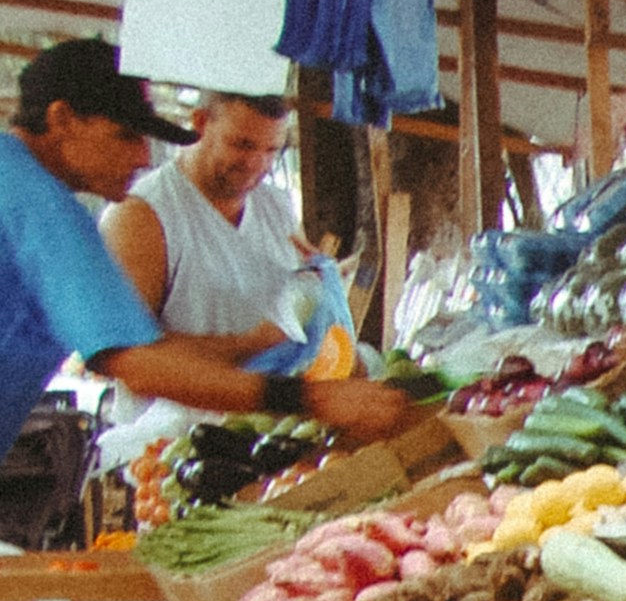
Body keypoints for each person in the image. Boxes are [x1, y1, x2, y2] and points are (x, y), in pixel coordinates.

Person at [0, 41, 416, 454]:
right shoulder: (41, 206)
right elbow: (137, 364)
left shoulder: (16, 179)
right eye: (125, 135)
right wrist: (312, 399)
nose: (143, 156)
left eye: (271, 149)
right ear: (62, 119)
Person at [101, 88, 352, 365]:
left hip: (267, 405)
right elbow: (125, 353)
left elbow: (298, 301)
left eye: (271, 150)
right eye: (241, 145)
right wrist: (254, 343)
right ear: (200, 122)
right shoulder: (142, 214)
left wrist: (319, 287)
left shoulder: (277, 207)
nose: (257, 164)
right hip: (175, 409)